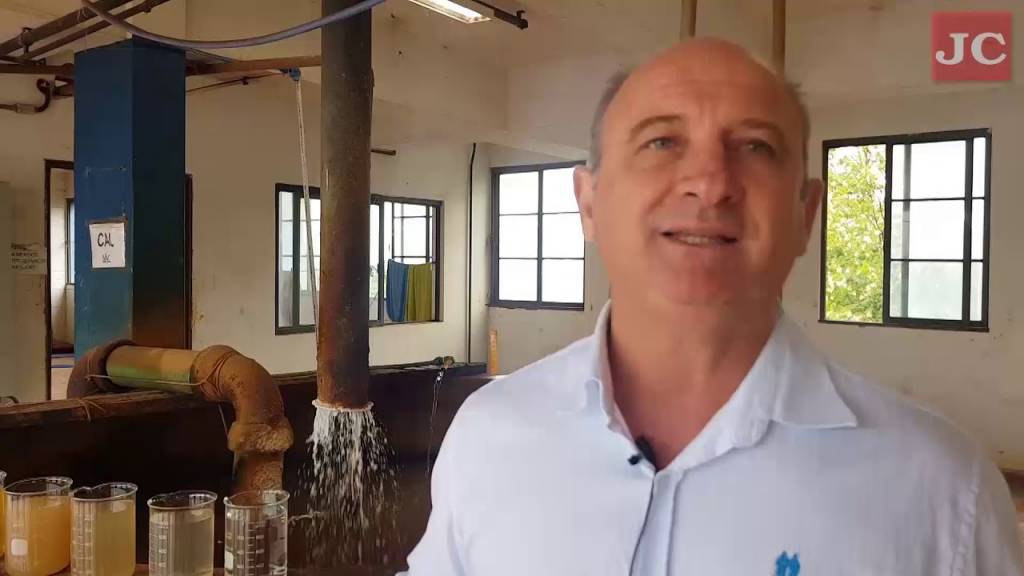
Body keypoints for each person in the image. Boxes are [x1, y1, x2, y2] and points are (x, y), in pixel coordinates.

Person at [401, 39, 1023, 575]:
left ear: (806, 215)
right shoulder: (490, 435)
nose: (710, 181)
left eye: (755, 147)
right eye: (662, 141)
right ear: (589, 204)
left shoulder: (945, 495)